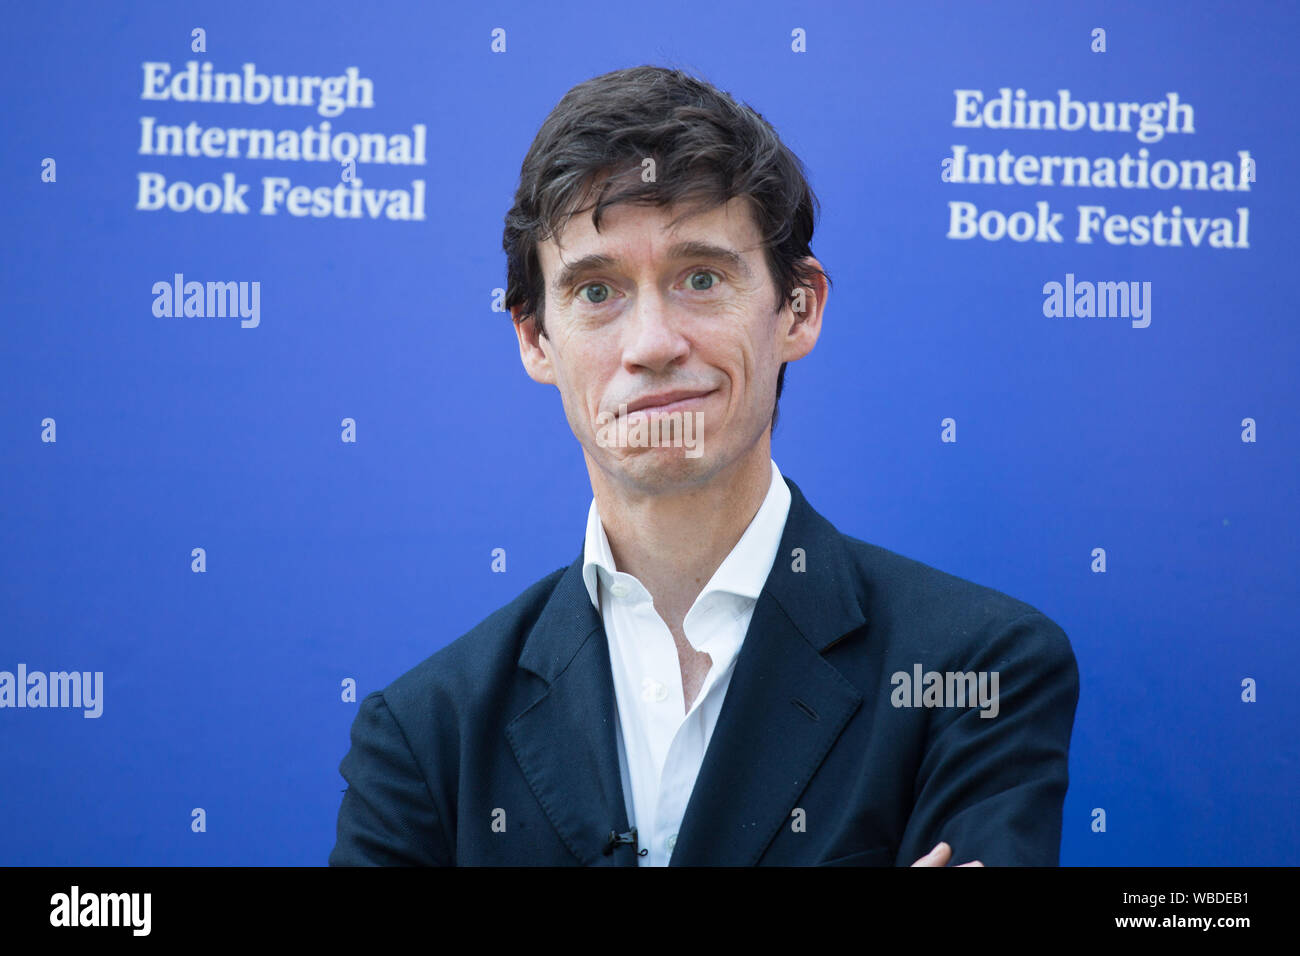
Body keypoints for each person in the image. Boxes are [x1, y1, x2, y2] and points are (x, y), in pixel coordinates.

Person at [329, 64, 1079, 867]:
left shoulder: (976, 672)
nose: (652, 343)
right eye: (596, 291)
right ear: (533, 339)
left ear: (800, 309)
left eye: (700, 277)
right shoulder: (423, 739)